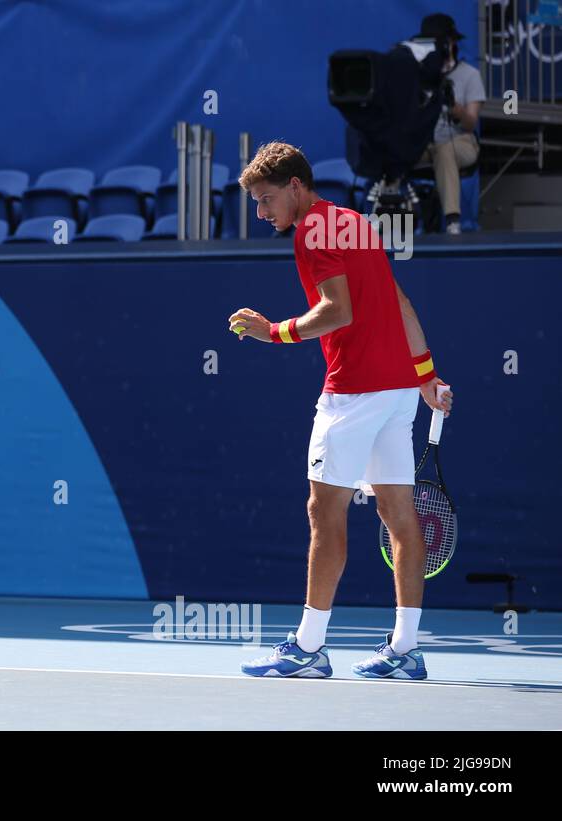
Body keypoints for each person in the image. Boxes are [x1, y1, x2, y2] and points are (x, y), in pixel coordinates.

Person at [229, 142, 452, 680]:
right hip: (397, 391)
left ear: (296, 188)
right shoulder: (353, 221)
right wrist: (425, 378)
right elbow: (399, 302)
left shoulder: (310, 232)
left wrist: (274, 332)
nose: (262, 214)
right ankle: (406, 649)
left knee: (323, 512)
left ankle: (308, 647)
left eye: (266, 200)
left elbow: (338, 310)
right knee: (399, 515)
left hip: (352, 394)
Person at [413, 13, 485, 234]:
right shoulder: (417, 76)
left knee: (445, 151)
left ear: (452, 43)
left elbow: (471, 123)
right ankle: (395, 221)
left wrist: (455, 107)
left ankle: (453, 222)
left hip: (461, 141)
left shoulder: (470, 75)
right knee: (397, 149)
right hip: (426, 142)